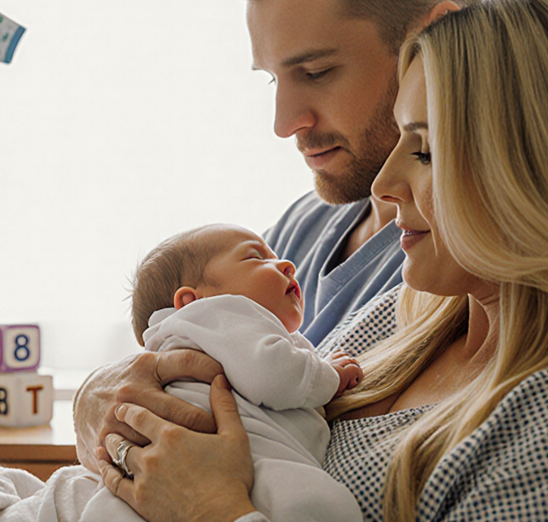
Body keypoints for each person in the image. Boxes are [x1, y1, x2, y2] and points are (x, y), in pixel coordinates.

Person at [96, 0, 548, 521]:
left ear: (541, 174)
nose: (383, 185)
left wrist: (210, 509)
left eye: (424, 151)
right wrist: (110, 408)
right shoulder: (405, 316)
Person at [73, 0, 483, 475]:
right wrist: (96, 396)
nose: (285, 122)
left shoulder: (454, 265)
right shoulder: (301, 229)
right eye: (273, 80)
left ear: (436, 39)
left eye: (316, 72)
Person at [79, 223, 363, 521]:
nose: (287, 265)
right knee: (331, 508)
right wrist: (330, 375)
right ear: (192, 301)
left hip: (162, 476)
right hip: (252, 462)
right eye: (256, 257)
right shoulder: (220, 314)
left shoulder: (197, 335)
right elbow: (272, 377)